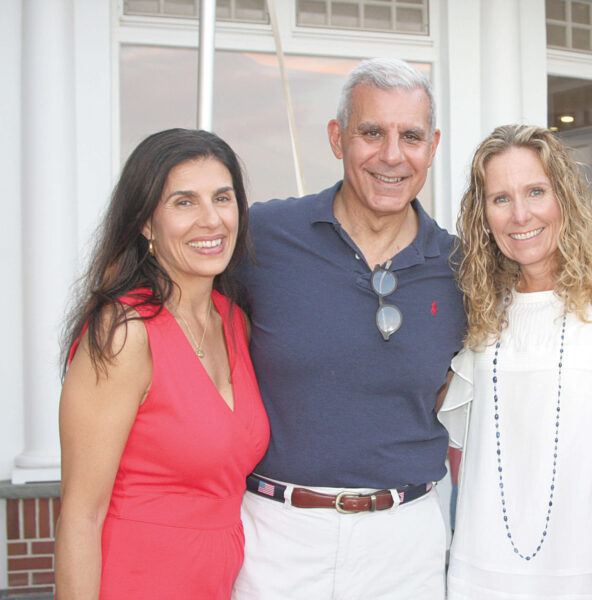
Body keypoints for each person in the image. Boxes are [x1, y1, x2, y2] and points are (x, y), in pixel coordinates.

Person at [231, 58, 466, 599]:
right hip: (277, 537)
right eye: (371, 132)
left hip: (407, 541)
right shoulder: (262, 237)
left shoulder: (461, 267)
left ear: (432, 146)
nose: (391, 155)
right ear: (338, 139)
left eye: (410, 136)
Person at [439, 124, 592, 599]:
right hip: (483, 572)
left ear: (565, 197)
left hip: (590, 569)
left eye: (536, 191)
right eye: (500, 198)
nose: (521, 215)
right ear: (482, 214)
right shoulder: (477, 306)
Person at [54, 129, 270, 599]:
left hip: (219, 583)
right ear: (146, 224)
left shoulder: (235, 322)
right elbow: (80, 516)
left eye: (222, 198)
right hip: (134, 580)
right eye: (184, 202)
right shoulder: (123, 333)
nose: (211, 220)